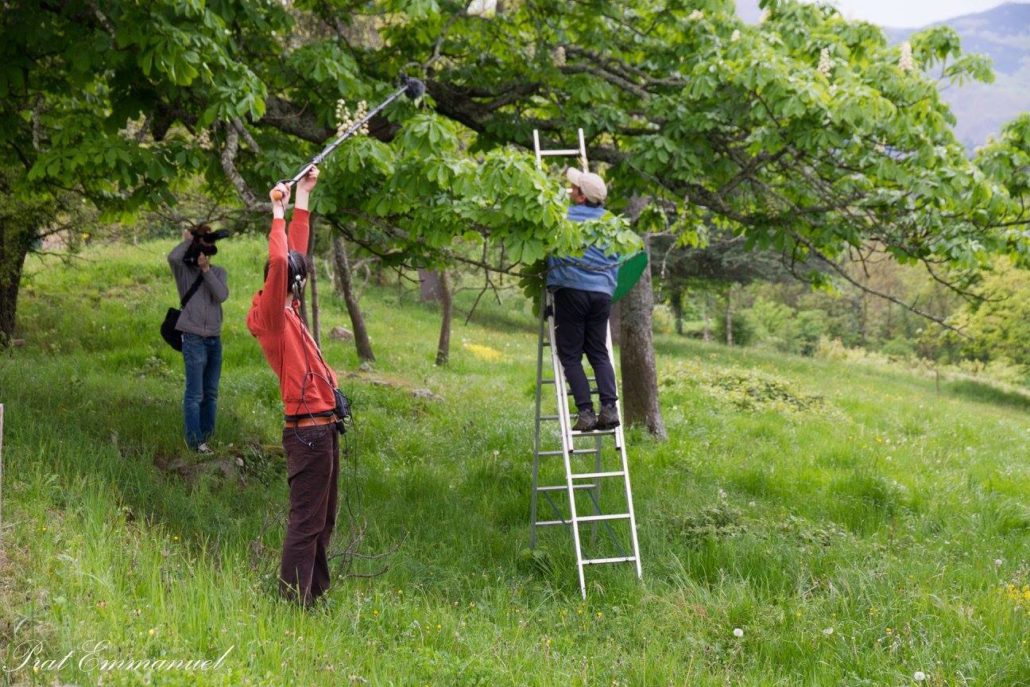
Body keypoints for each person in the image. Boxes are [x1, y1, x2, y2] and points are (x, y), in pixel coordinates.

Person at [247, 167, 342, 606]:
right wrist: (278, 212)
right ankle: (291, 604)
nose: (298, 279)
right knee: (306, 523)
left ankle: (314, 597)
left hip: (325, 430)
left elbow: (296, 253)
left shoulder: (290, 310)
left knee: (324, 521)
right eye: (291, 276)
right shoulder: (271, 317)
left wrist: (303, 197)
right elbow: (282, 257)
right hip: (307, 434)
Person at [546, 167, 621, 432]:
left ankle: (586, 412)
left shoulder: (564, 217)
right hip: (602, 294)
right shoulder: (612, 223)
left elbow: (548, 248)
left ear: (580, 197)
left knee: (571, 355)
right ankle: (609, 408)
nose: (571, 189)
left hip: (572, 291)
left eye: (574, 187)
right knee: (599, 352)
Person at [167, 224, 229, 453]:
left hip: (214, 338)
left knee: (211, 392)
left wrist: (206, 270)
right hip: (192, 337)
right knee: (195, 393)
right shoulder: (184, 272)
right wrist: (187, 240)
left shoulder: (218, 272)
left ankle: (207, 438)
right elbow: (172, 257)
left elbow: (221, 295)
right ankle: (195, 442)